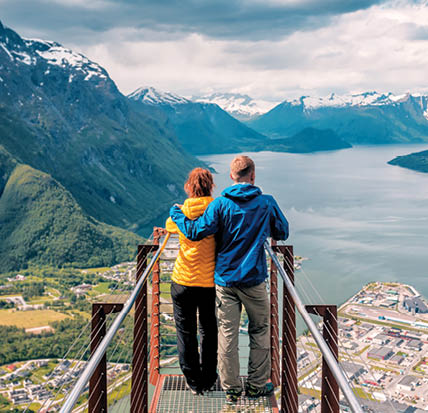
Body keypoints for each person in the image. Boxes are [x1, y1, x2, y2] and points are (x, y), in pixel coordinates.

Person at [170, 155, 289, 403]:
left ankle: (231, 388)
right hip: (254, 279)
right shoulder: (266, 203)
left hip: (225, 281)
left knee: (227, 333)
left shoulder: (220, 204)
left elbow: (195, 231)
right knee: (260, 329)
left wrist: (177, 213)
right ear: (253, 176)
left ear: (232, 176)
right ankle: (256, 385)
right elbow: (282, 231)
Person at [165, 168, 218, 395]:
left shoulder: (183, 211)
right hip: (207, 283)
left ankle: (193, 381)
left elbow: (169, 226)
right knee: (208, 330)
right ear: (210, 186)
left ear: (189, 187)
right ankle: (208, 377)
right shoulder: (217, 210)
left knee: (185, 332)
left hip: (182, 281)